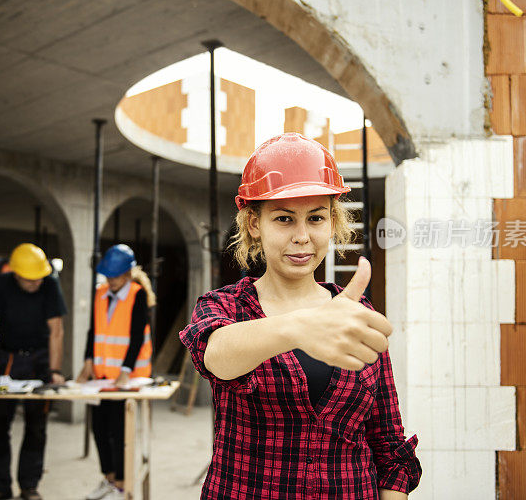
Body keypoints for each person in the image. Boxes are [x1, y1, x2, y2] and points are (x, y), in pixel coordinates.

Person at [179, 133, 421, 499]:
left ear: (332, 223)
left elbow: (387, 445)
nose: (303, 237)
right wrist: (299, 326)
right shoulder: (226, 307)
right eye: (284, 219)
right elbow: (217, 357)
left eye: (316, 218)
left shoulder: (356, 314)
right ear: (254, 225)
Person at [0, 243, 67, 500]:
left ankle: (29, 486)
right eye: (29, 280)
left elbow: (56, 331)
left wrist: (55, 370)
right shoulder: (0, 285)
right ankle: (0, 487)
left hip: (39, 361)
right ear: (16, 273)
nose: (35, 284)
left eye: (38, 279)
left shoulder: (50, 284)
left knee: (37, 426)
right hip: (7, 360)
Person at [77, 244, 155, 500]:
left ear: (128, 274)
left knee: (119, 431)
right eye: (108, 277)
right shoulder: (100, 293)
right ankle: (109, 479)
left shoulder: (137, 294)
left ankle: (122, 484)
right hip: (100, 376)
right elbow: (94, 330)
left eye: (116, 277)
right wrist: (88, 361)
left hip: (127, 378)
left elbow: (135, 337)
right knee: (98, 429)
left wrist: (125, 370)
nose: (111, 281)